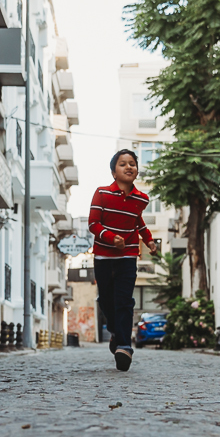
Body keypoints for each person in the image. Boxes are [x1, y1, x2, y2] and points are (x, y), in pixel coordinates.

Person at [88, 149, 158, 372]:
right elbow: (93, 224)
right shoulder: (101, 194)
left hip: (128, 256)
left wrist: (149, 241)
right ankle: (116, 333)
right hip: (103, 256)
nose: (129, 167)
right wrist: (111, 238)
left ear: (137, 171)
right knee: (106, 300)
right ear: (113, 171)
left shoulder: (141, 199)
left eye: (132, 164)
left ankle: (125, 347)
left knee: (125, 300)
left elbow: (138, 223)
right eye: (122, 164)